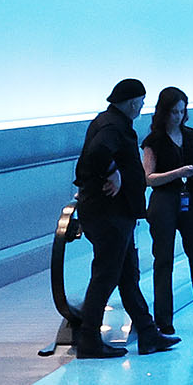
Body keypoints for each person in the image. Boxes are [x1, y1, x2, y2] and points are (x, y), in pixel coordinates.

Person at [72, 77, 174, 356]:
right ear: (131, 102)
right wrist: (111, 171)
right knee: (106, 276)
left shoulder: (107, 121)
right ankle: (88, 339)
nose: (142, 107)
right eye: (141, 102)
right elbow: (96, 154)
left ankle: (149, 333)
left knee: (127, 276)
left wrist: (114, 169)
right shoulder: (113, 125)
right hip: (109, 215)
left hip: (115, 214)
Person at [143, 86, 193, 334]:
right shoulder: (153, 142)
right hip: (164, 201)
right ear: (164, 113)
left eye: (182, 111)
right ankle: (164, 320)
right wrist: (178, 173)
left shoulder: (191, 136)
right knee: (164, 259)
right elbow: (150, 178)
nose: (178, 116)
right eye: (173, 112)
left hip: (189, 200)